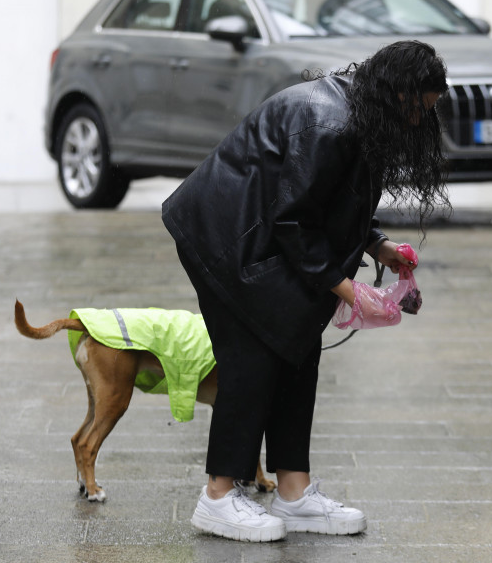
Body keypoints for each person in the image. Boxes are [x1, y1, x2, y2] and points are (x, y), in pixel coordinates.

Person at [161, 40, 450, 542]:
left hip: (260, 229)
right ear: (399, 95)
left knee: (296, 348)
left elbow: (329, 202)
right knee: (252, 356)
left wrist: (378, 246)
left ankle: (294, 492)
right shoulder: (331, 123)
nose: (419, 124)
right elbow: (294, 218)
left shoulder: (363, 115)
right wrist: (346, 289)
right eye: (419, 111)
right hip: (222, 233)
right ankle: (217, 496)